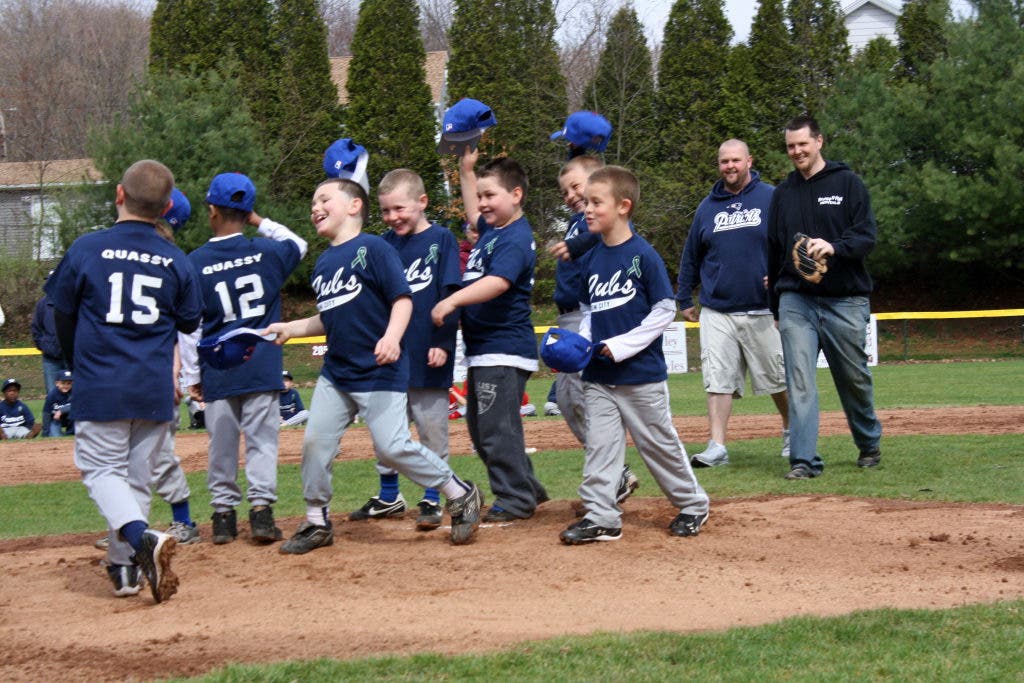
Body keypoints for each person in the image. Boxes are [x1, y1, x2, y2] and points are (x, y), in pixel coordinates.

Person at [265, 177, 483, 553]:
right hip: (337, 373)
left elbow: (402, 300)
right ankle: (317, 521)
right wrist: (292, 327)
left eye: (324, 199)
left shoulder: (375, 248)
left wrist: (392, 338)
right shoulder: (324, 262)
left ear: (353, 206)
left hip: (380, 371)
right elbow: (328, 317)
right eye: (313, 202)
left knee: (394, 446)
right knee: (315, 443)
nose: (315, 207)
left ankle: (459, 492)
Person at [45, 159, 204, 603]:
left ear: (119, 194)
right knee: (136, 480)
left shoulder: (87, 248)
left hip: (102, 380)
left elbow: (62, 310)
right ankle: (124, 569)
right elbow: (190, 320)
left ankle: (139, 538)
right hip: (153, 384)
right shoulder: (175, 259)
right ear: (167, 206)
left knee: (100, 472)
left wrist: (75, 360)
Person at [558, 166, 710, 544]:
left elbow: (663, 310)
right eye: (586, 202)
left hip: (640, 374)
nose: (586, 209)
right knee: (601, 448)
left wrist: (621, 346)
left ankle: (692, 504)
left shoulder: (642, 255)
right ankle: (601, 516)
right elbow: (590, 310)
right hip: (598, 375)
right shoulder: (592, 259)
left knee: (658, 445)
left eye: (596, 202)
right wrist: (584, 344)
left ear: (623, 206)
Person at [181, 172, 307, 545]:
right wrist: (259, 221)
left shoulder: (195, 262)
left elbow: (190, 327)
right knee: (262, 442)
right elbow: (298, 244)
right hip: (261, 363)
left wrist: (191, 374)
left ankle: (222, 517)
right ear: (247, 211)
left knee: (221, 444)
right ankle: (261, 514)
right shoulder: (266, 251)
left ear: (212, 211)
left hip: (218, 368)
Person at [431, 149, 547, 523]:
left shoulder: (514, 237)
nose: (482, 204)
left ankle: (514, 499)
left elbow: (497, 283)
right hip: (485, 352)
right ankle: (527, 488)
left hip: (503, 350)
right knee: (484, 431)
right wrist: (466, 171)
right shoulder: (494, 232)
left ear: (516, 195)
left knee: (496, 432)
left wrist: (452, 302)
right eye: (480, 196)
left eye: (490, 195)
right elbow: (472, 212)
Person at [767, 115, 883, 480]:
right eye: (790, 146)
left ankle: (868, 442)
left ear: (819, 141)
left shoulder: (848, 183)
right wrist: (775, 304)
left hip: (845, 300)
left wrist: (834, 247)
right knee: (799, 378)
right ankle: (803, 460)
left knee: (853, 379)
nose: (797, 151)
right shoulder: (783, 193)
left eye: (802, 143)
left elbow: (867, 237)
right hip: (796, 299)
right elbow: (773, 250)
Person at [346, 169, 462, 530]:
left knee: (431, 432)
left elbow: (450, 295)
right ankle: (388, 496)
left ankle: (431, 498)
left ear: (422, 202)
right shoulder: (382, 245)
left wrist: (443, 343)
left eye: (400, 208)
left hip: (428, 352)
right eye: (385, 211)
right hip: (390, 357)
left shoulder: (441, 239)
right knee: (386, 433)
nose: (393, 217)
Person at [676, 139, 790, 467]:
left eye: (735, 160)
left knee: (777, 379)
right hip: (717, 309)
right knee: (718, 379)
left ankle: (791, 428)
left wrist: (785, 279)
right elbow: (691, 256)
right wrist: (684, 296)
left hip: (763, 306)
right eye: (724, 161)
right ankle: (717, 446)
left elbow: (789, 243)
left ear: (749, 161)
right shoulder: (707, 207)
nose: (730, 166)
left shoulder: (771, 197)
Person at [547, 153, 639, 504]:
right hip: (569, 315)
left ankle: (612, 475)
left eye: (576, 187)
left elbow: (605, 237)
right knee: (570, 401)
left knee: (580, 398)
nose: (570, 195)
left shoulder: (597, 224)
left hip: (584, 316)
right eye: (565, 191)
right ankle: (612, 475)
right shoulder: (578, 222)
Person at [31, 283, 68, 391]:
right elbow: (36, 328)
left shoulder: (71, 301)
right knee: (52, 394)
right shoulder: (42, 304)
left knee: (73, 395)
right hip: (50, 359)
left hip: (69, 357)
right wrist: (45, 346)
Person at [42, 369, 74, 437]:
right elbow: (46, 413)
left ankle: (70, 433)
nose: (66, 386)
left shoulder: (74, 392)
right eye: (63, 383)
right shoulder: (52, 395)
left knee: (75, 414)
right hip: (56, 420)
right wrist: (45, 432)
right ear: (57, 383)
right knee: (55, 436)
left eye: (69, 383)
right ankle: (59, 434)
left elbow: (76, 405)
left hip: (70, 418)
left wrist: (61, 410)